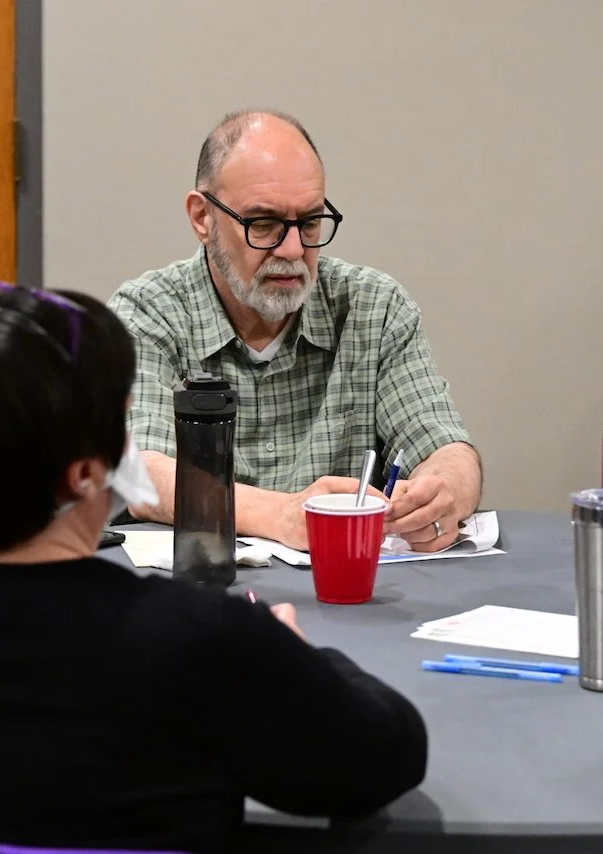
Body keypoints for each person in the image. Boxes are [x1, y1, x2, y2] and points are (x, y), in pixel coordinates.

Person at [0, 283, 428, 852]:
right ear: (86, 473)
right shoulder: (207, 643)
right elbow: (386, 755)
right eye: (123, 424)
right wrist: (298, 660)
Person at [109, 109, 481, 552]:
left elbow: (445, 446)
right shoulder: (147, 314)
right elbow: (142, 471)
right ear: (202, 218)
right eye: (263, 224)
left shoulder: (373, 307)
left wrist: (439, 493)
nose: (293, 249)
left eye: (309, 223)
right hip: (204, 597)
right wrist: (281, 515)